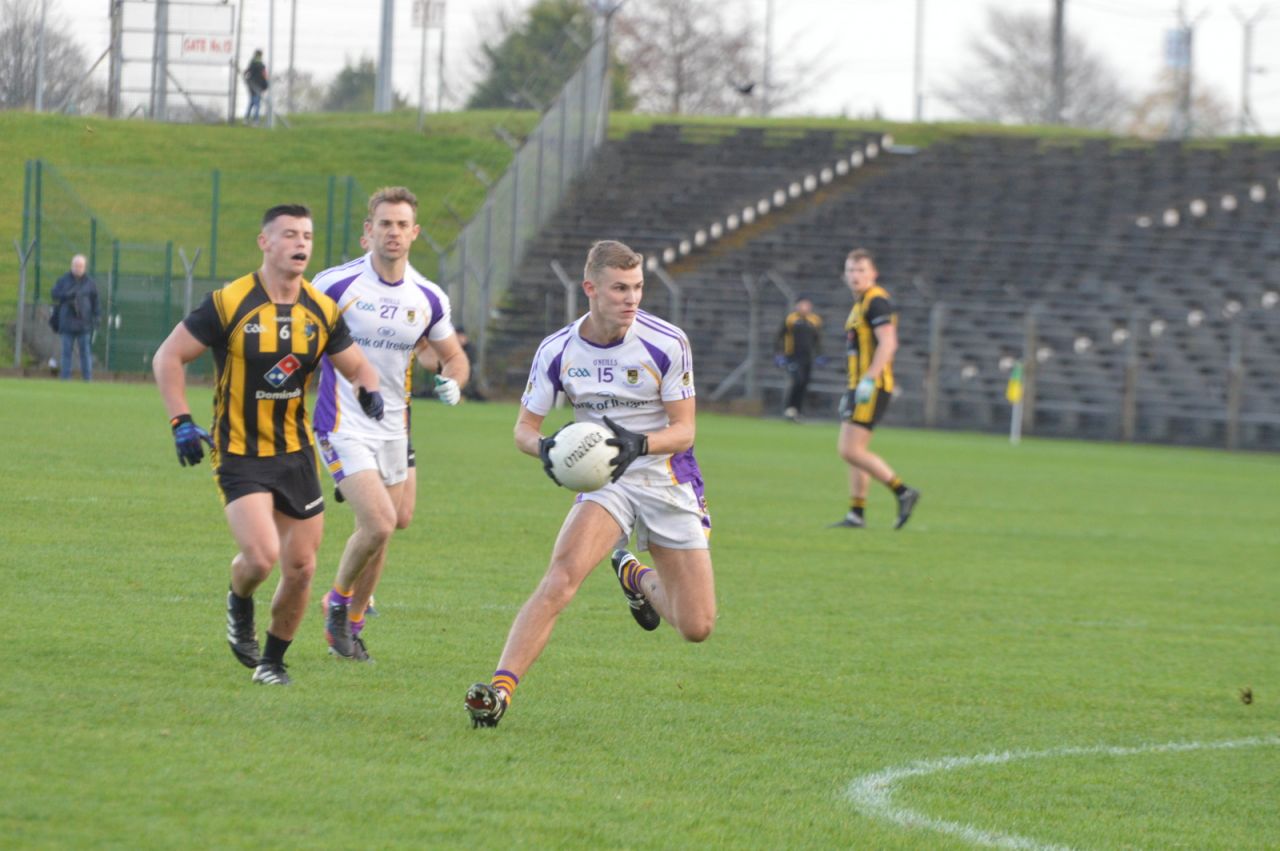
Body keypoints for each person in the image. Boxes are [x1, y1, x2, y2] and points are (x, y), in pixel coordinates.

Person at [465, 239, 716, 729]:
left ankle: (634, 575)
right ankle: (499, 692)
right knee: (560, 580)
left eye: (638, 287)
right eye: (620, 288)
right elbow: (523, 429)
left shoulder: (666, 342)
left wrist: (637, 445)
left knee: (696, 626)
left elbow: (686, 430)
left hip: (665, 474)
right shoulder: (558, 350)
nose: (632, 298)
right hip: (606, 482)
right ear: (590, 289)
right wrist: (550, 450)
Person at [152, 204, 384, 686]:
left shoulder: (320, 309)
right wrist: (180, 421)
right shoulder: (229, 303)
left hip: (294, 454)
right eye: (290, 235)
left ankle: (271, 664)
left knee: (301, 567)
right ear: (265, 243)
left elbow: (357, 365)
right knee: (260, 557)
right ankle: (240, 603)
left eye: (308, 236)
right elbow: (169, 357)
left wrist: (369, 389)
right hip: (239, 449)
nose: (301, 244)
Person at [311, 186, 470, 663]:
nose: (394, 232)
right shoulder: (334, 285)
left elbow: (453, 357)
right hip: (341, 422)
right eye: (385, 224)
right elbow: (300, 339)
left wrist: (454, 383)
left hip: (395, 429)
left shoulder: (427, 297)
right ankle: (337, 606)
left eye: (402, 225)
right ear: (368, 231)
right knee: (378, 523)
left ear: (415, 233)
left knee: (391, 525)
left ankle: (354, 625)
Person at [831, 248, 920, 530]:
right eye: (851, 270)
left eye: (861, 270)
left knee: (849, 450)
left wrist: (870, 379)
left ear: (873, 274)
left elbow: (889, 343)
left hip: (873, 385)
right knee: (853, 450)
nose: (855, 276)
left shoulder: (876, 301)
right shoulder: (861, 303)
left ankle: (903, 491)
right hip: (858, 385)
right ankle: (857, 513)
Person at [50, 254, 100, 381]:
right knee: (66, 352)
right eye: (76, 266)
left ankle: (87, 378)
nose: (78, 268)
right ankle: (65, 377)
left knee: (85, 352)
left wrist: (97, 316)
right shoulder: (63, 280)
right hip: (67, 323)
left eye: (81, 266)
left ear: (84, 267)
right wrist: (66, 295)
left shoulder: (90, 283)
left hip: (84, 323)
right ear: (72, 266)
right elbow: (54, 294)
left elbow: (95, 301)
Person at [774, 296, 823, 421]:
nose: (804, 307)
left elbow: (818, 340)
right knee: (797, 381)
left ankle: (798, 411)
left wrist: (819, 355)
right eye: (802, 304)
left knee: (804, 384)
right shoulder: (791, 319)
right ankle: (789, 409)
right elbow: (779, 337)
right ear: (797, 305)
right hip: (793, 356)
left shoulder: (815, 320)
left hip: (807, 358)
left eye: (807, 304)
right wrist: (779, 354)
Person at [243, 49, 268, 123]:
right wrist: (266, 85)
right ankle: (256, 120)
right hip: (258, 85)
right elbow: (264, 75)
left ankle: (246, 118)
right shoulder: (262, 65)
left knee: (252, 102)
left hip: (251, 85)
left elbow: (246, 72)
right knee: (257, 103)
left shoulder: (252, 63)